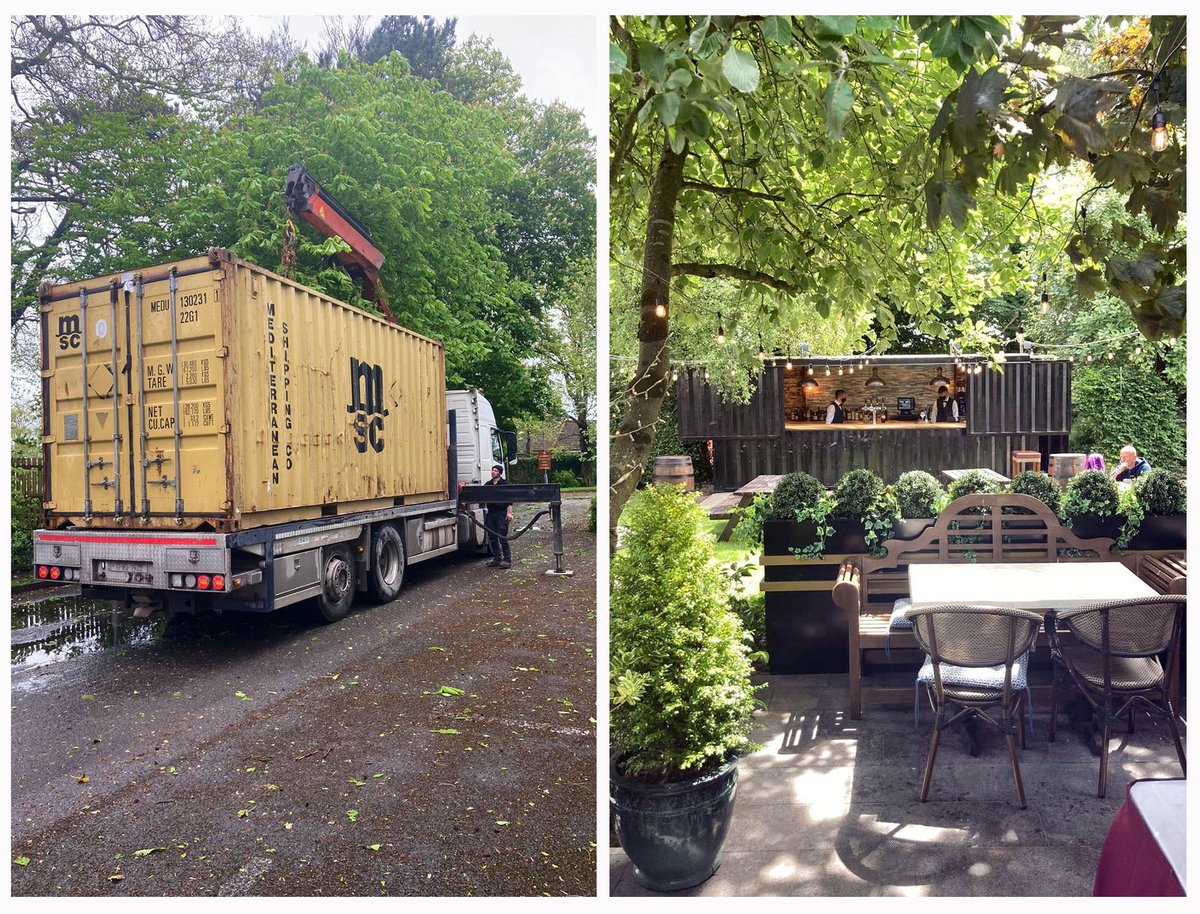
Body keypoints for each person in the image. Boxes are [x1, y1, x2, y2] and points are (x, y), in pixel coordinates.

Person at [483, 463, 513, 568]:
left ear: (500, 473)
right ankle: (497, 558)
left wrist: (509, 513)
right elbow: (481, 495)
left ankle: (507, 559)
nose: (493, 472)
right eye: (492, 470)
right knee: (492, 536)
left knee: (502, 536)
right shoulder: (488, 484)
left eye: (495, 470)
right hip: (491, 513)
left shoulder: (505, 484)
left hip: (502, 512)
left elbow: (510, 500)